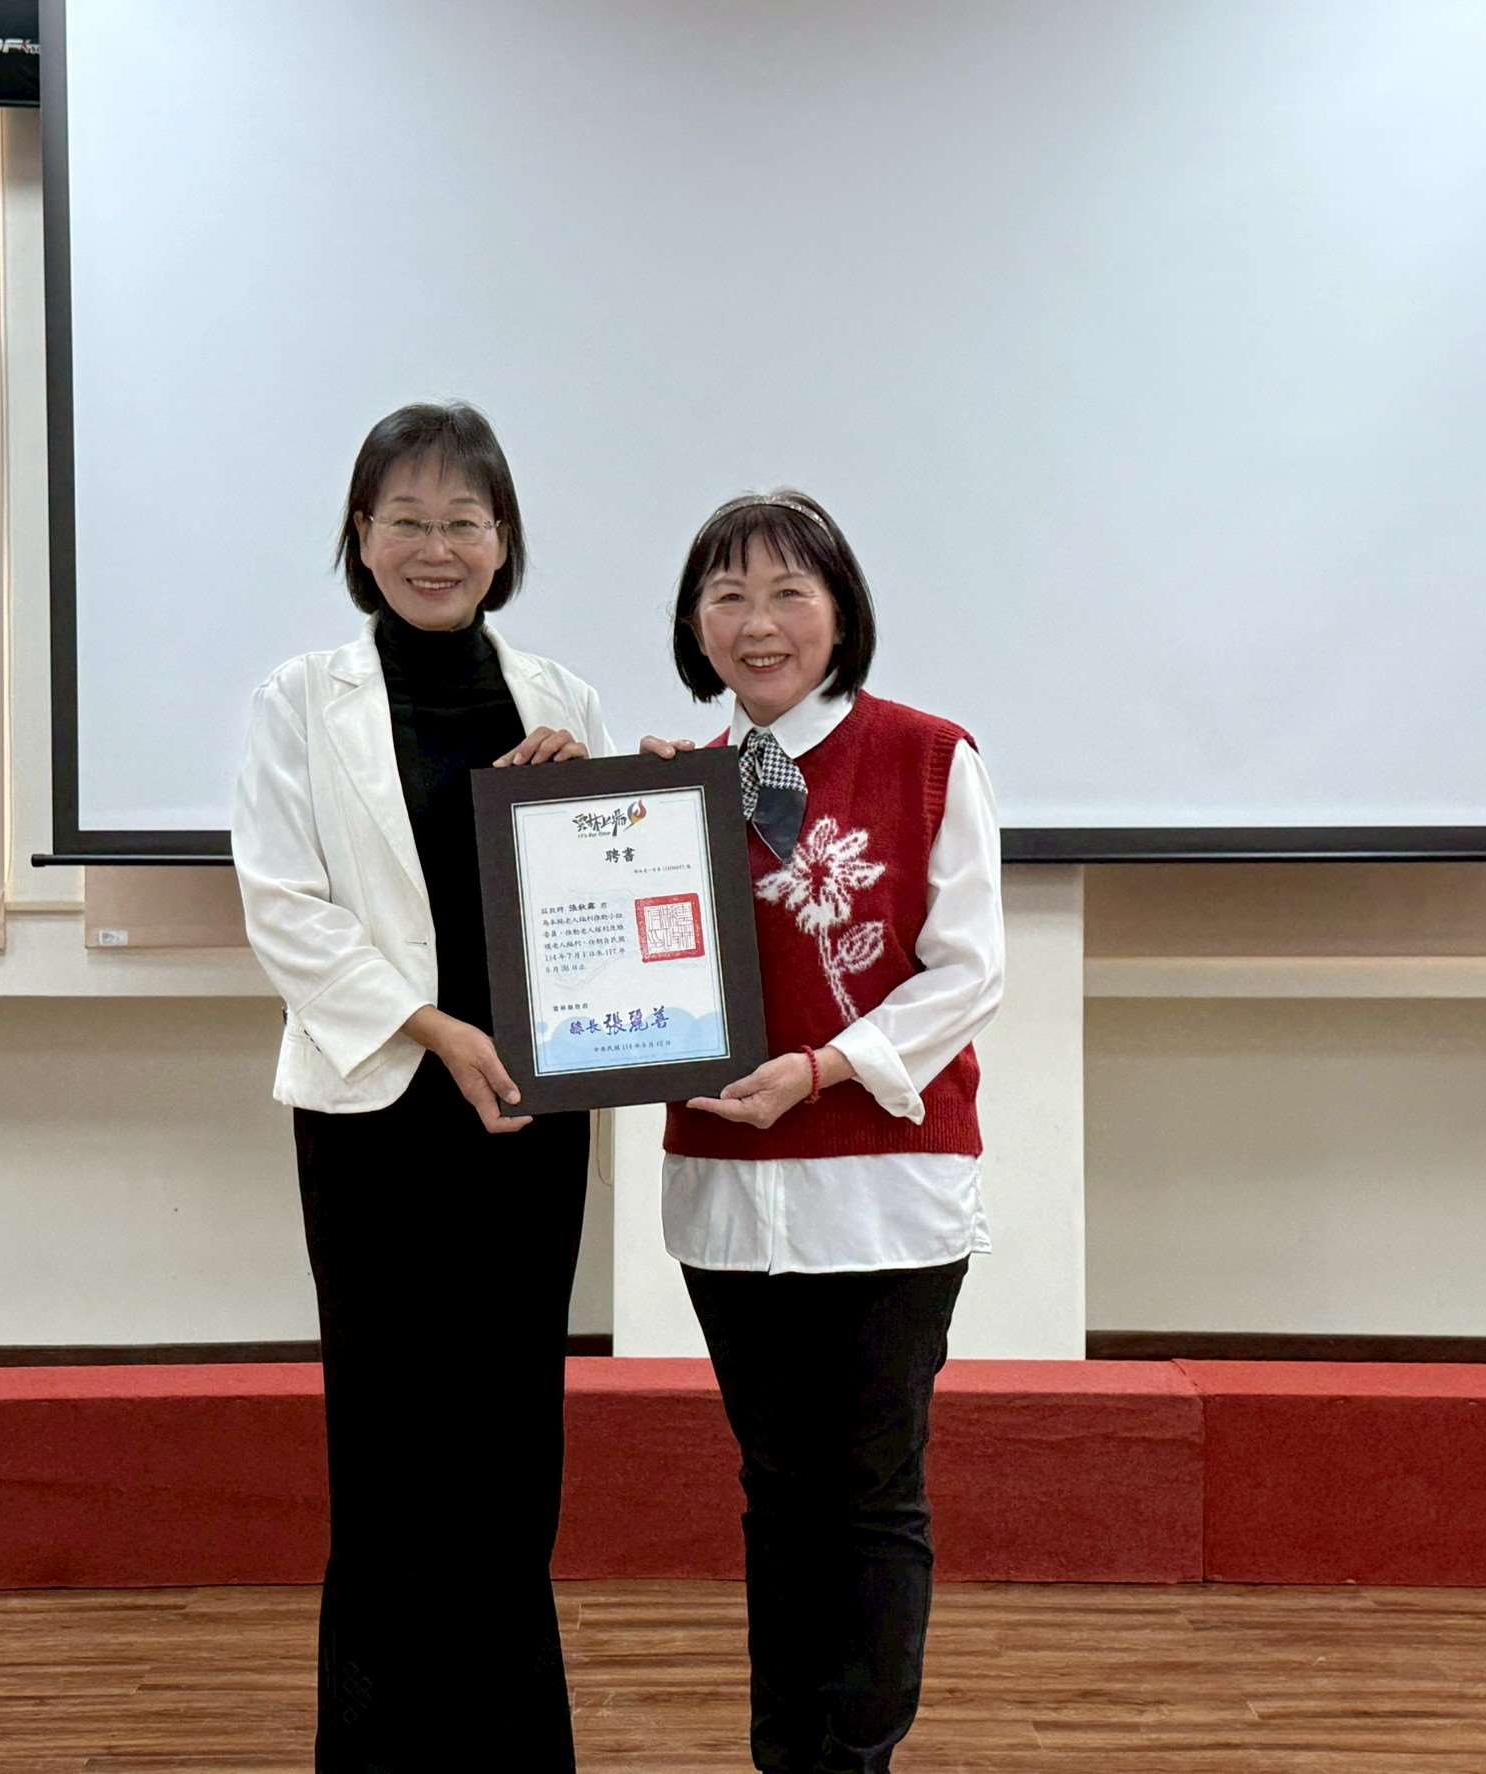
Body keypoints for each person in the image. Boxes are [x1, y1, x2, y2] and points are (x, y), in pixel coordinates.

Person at [231, 402, 608, 1772]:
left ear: (504, 540)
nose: (435, 547)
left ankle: (515, 1750)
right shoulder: (299, 699)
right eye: (407, 520)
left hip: (527, 1116)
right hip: (376, 1111)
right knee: (389, 1445)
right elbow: (284, 905)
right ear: (362, 534)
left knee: (512, 1440)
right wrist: (432, 1027)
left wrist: (591, 800)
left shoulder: (562, 699)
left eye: (463, 521)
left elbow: (597, 898)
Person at [644, 490, 1005, 1773]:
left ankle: (855, 1759)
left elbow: (968, 970)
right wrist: (605, 819)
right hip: (731, 1197)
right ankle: (786, 1756)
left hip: (887, 1191)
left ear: (841, 612)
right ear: (695, 626)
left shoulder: (927, 755)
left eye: (790, 592)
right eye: (727, 595)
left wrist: (821, 1067)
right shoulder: (673, 790)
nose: (759, 623)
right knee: (777, 1492)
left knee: (871, 1493)